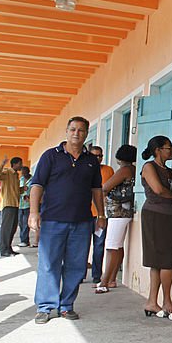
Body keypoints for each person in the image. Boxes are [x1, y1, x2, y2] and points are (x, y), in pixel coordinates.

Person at [28, 117, 106, 324]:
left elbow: (96, 190)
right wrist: (34, 212)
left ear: (86, 134)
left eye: (81, 130)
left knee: (76, 266)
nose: (76, 133)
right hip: (53, 220)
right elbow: (37, 185)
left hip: (81, 222)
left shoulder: (91, 161)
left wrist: (101, 215)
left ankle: (66, 305)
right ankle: (45, 307)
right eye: (72, 129)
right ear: (66, 131)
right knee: (48, 264)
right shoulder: (50, 156)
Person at [139, 136, 172, 320]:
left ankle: (152, 302)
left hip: (169, 216)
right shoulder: (149, 167)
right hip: (155, 215)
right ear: (157, 150)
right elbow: (158, 189)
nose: (171, 151)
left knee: (161, 259)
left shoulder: (169, 170)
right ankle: (166, 302)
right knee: (164, 260)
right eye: (168, 148)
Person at [98, 144, 138, 292]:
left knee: (111, 246)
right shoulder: (133, 169)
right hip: (125, 211)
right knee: (118, 246)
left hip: (117, 212)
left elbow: (105, 187)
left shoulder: (124, 170)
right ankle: (112, 279)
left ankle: (104, 281)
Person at [88, 145, 115, 288]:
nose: (98, 158)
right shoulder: (84, 168)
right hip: (84, 215)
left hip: (101, 215)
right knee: (82, 246)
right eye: (95, 156)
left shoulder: (108, 170)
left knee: (99, 245)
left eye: (100, 155)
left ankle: (96, 275)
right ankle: (79, 274)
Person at [0, 156, 23, 256]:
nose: (21, 166)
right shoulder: (7, 172)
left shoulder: (16, 175)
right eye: (20, 163)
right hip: (8, 204)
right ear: (14, 164)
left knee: (13, 228)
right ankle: (4, 250)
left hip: (15, 204)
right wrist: (2, 164)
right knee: (6, 228)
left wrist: (22, 189)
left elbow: (15, 190)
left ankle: (9, 248)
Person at [18, 166, 32, 247]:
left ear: (28, 171)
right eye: (22, 173)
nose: (23, 174)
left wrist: (29, 196)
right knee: (20, 223)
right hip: (20, 204)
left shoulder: (33, 179)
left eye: (25, 173)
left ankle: (25, 240)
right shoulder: (21, 179)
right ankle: (22, 239)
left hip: (28, 204)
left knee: (26, 223)